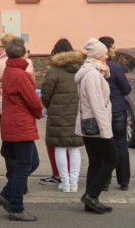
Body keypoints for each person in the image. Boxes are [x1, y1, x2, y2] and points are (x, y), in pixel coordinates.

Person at [0, 37, 42, 222]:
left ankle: (6, 194)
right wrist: (39, 113)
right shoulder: (21, 74)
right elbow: (34, 101)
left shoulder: (9, 70)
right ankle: (16, 207)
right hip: (21, 125)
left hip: (11, 122)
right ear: (22, 52)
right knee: (24, 166)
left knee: (31, 163)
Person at [75, 38, 115, 214]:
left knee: (96, 162)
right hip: (96, 125)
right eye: (105, 52)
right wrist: (106, 129)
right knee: (113, 159)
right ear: (98, 55)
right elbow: (97, 104)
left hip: (91, 125)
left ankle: (91, 200)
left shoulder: (94, 71)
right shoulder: (91, 75)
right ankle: (91, 195)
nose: (108, 55)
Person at [0, 32, 34, 185]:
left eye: (0, 46)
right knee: (24, 149)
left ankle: (12, 177)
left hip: (3, 106)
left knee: (8, 145)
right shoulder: (28, 64)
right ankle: (21, 182)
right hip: (24, 109)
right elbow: (32, 87)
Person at [40, 38, 83, 194]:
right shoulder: (81, 68)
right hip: (77, 112)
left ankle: (65, 183)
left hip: (58, 114)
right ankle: (74, 183)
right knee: (74, 148)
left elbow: (45, 93)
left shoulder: (53, 71)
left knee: (59, 147)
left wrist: (49, 106)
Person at [99, 36, 132, 191]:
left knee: (105, 145)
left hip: (102, 110)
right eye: (112, 47)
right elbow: (126, 89)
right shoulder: (116, 68)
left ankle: (105, 180)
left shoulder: (94, 67)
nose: (114, 50)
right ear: (106, 49)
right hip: (117, 108)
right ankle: (124, 180)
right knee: (121, 144)